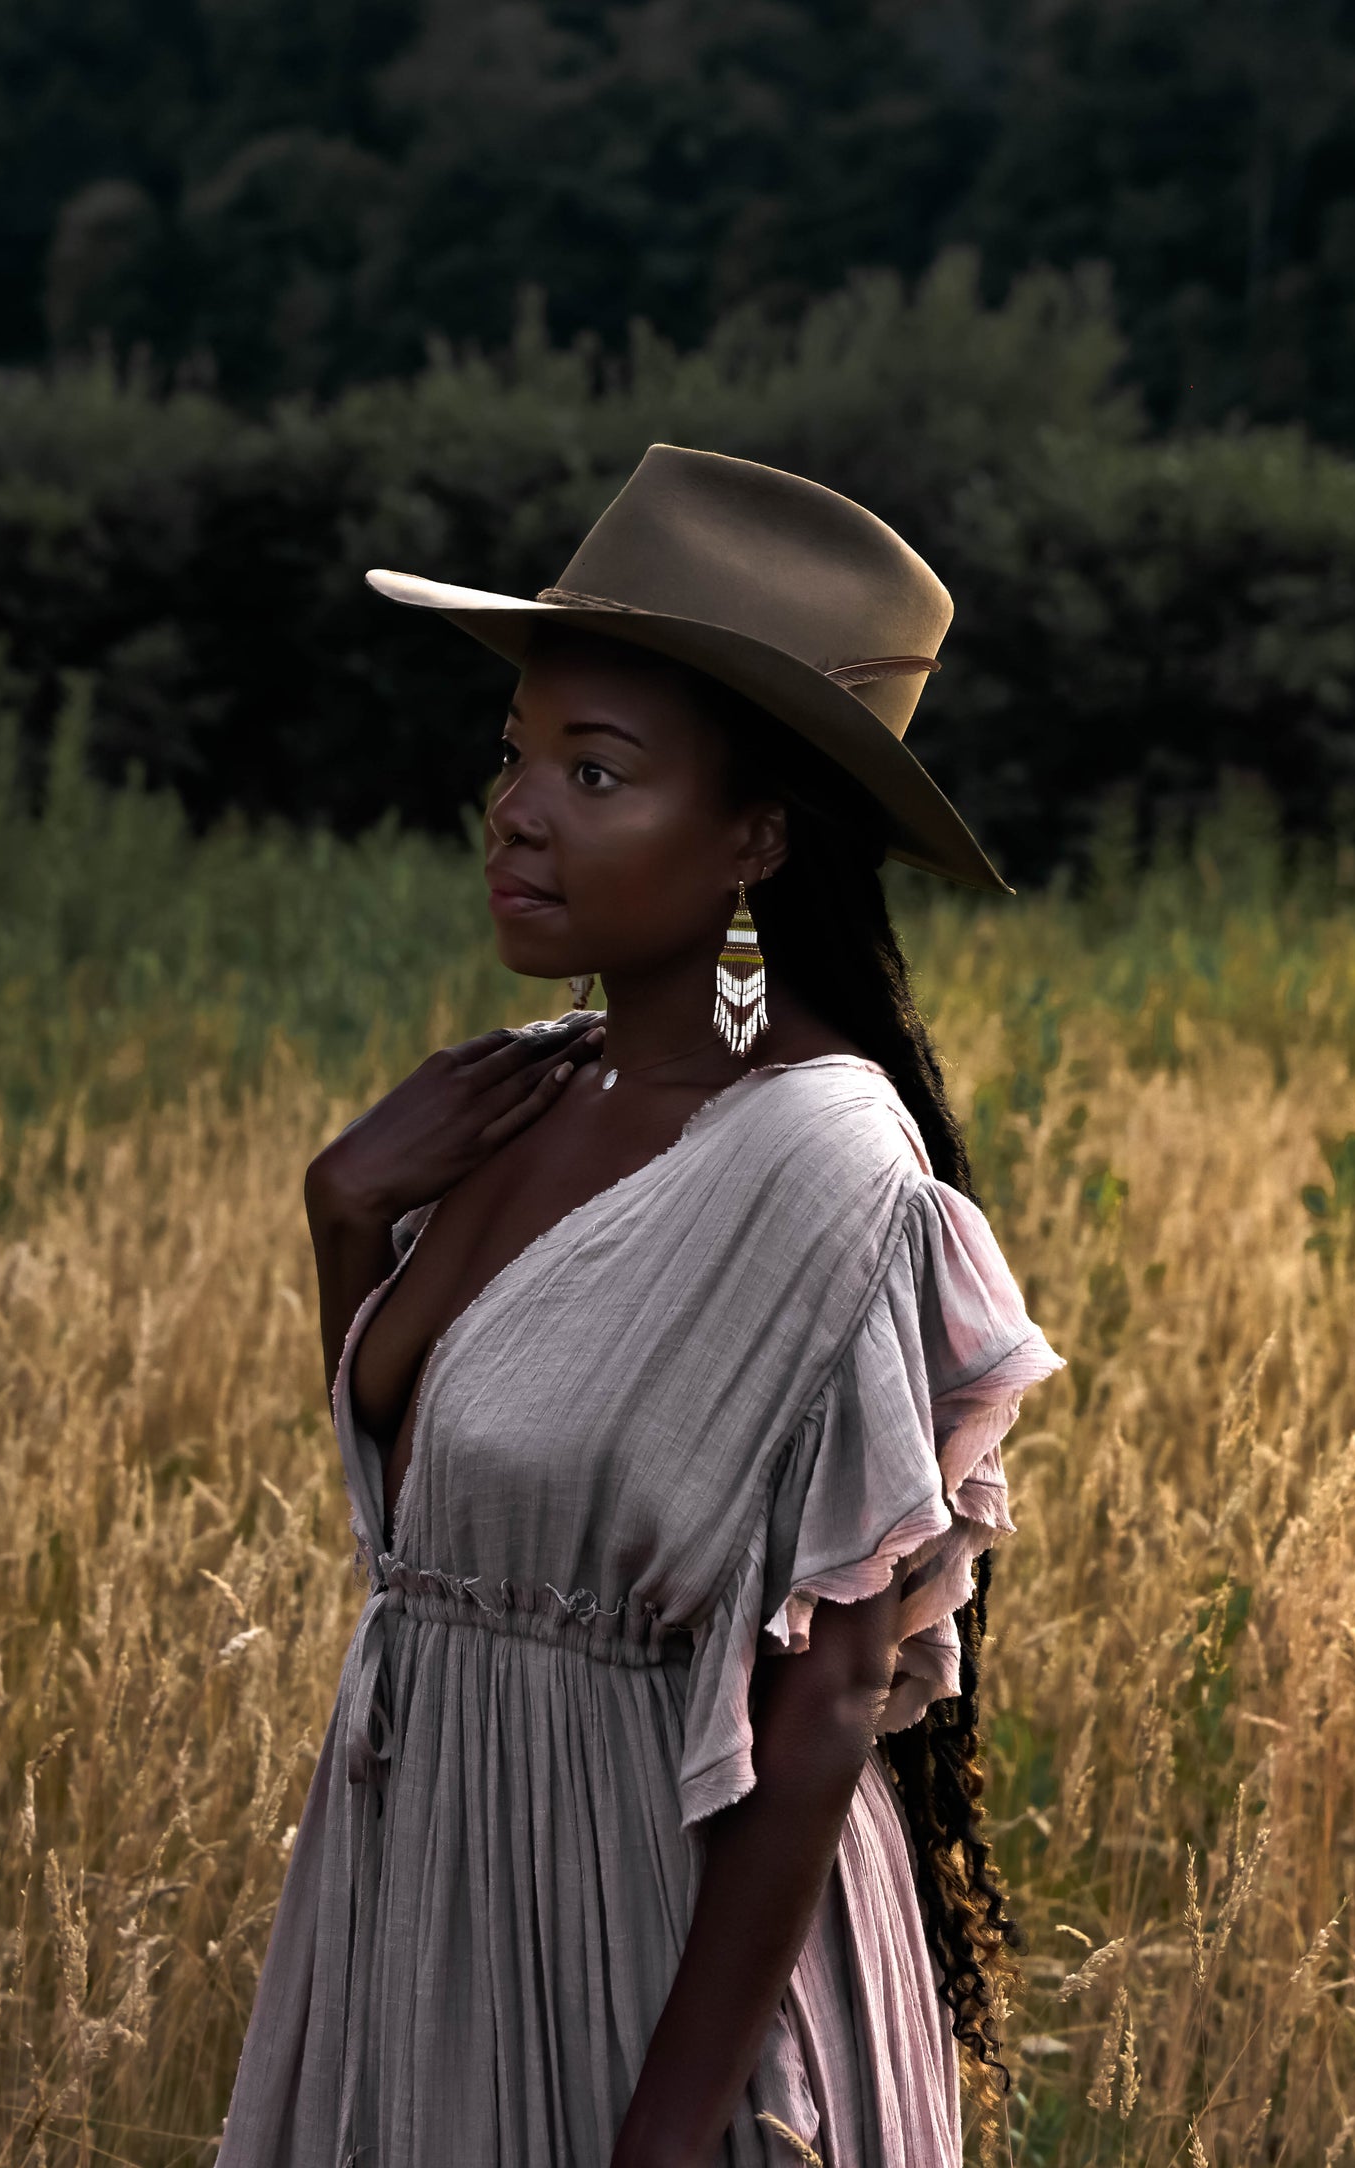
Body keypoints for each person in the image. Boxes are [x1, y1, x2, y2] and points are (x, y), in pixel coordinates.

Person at [213, 444, 1065, 2168]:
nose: (516, 811)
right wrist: (343, 1219)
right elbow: (437, 1546)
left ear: (754, 837)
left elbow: (826, 1699)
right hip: (428, 1900)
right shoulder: (527, 1097)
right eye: (514, 755)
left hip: (655, 1953)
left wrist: (668, 2128)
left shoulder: (826, 1164)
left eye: (595, 773)